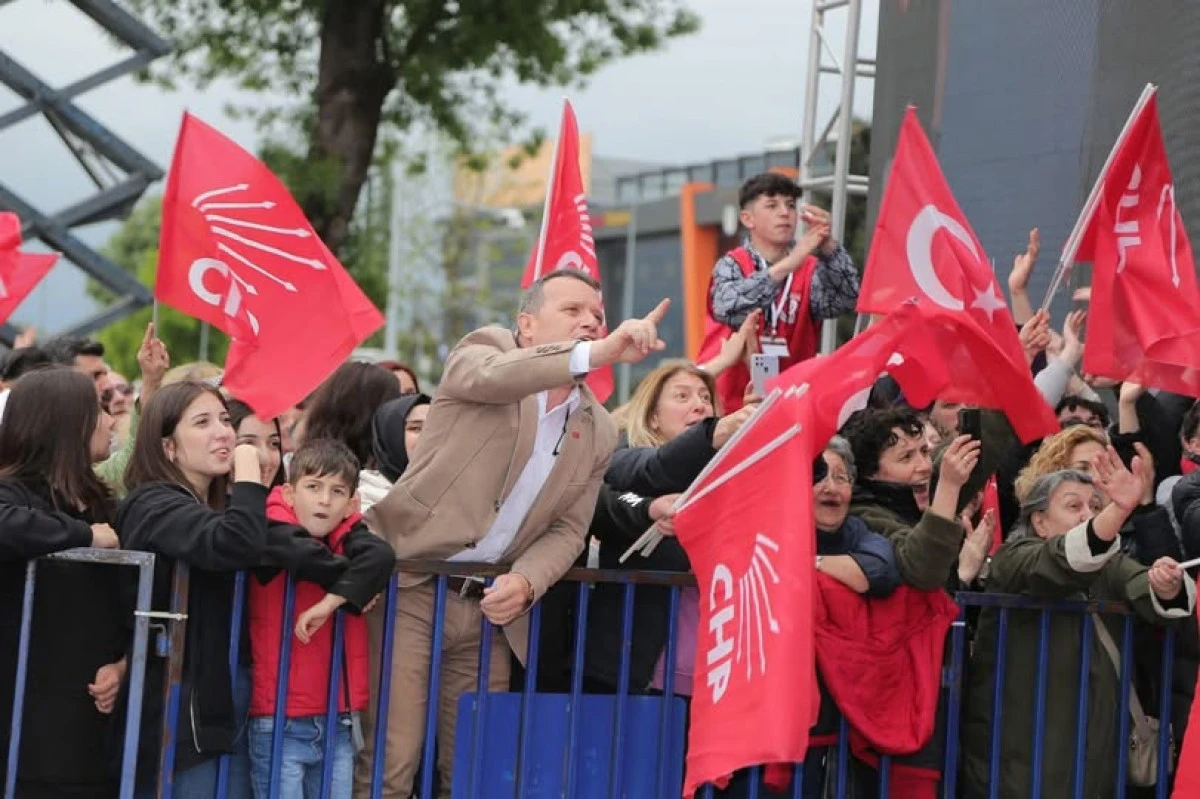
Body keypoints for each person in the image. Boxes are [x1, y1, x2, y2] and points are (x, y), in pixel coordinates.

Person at [360, 269, 665, 797]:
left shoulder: (597, 427)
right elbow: (495, 376)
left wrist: (527, 580)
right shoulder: (484, 350)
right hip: (411, 584)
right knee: (392, 763)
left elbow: (571, 529)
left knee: (476, 770)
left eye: (596, 314)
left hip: (492, 609)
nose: (590, 321)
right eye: (572, 310)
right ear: (526, 324)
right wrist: (597, 354)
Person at [962, 462, 1194, 799]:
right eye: (1074, 506)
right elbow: (1061, 561)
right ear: (1039, 521)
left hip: (1092, 754)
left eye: (1095, 506)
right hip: (1019, 753)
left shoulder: (1109, 565)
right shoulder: (1014, 557)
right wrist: (1118, 510)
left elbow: (1143, 585)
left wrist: (1165, 584)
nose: (1088, 514)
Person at [117, 381, 269, 797]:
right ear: (168, 447)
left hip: (217, 694)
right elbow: (236, 543)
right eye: (202, 422)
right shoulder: (154, 503)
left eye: (224, 419)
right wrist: (250, 472)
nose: (223, 431)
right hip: (178, 704)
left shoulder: (209, 506)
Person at [0, 368, 124, 798]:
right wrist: (84, 536)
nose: (111, 421)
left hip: (91, 726)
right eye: (99, 410)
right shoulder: (14, 492)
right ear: (66, 424)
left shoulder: (103, 501)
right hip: (21, 728)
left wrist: (125, 662)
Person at [247, 439, 394, 799]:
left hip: (338, 718)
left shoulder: (350, 537)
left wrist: (331, 601)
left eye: (337, 491)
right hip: (278, 717)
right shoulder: (269, 530)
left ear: (351, 504)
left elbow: (381, 556)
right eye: (313, 487)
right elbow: (302, 554)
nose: (325, 500)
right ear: (289, 492)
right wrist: (356, 584)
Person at [699, 172, 860, 411]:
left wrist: (829, 246)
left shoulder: (809, 268)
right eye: (772, 205)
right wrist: (787, 265)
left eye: (791, 205)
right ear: (748, 218)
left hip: (785, 404)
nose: (785, 212)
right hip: (726, 404)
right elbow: (728, 307)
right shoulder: (731, 264)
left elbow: (846, 300)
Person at [359, 393, 431, 513]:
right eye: (416, 428)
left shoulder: (454, 491)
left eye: (434, 427)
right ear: (391, 436)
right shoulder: (365, 499)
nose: (427, 436)